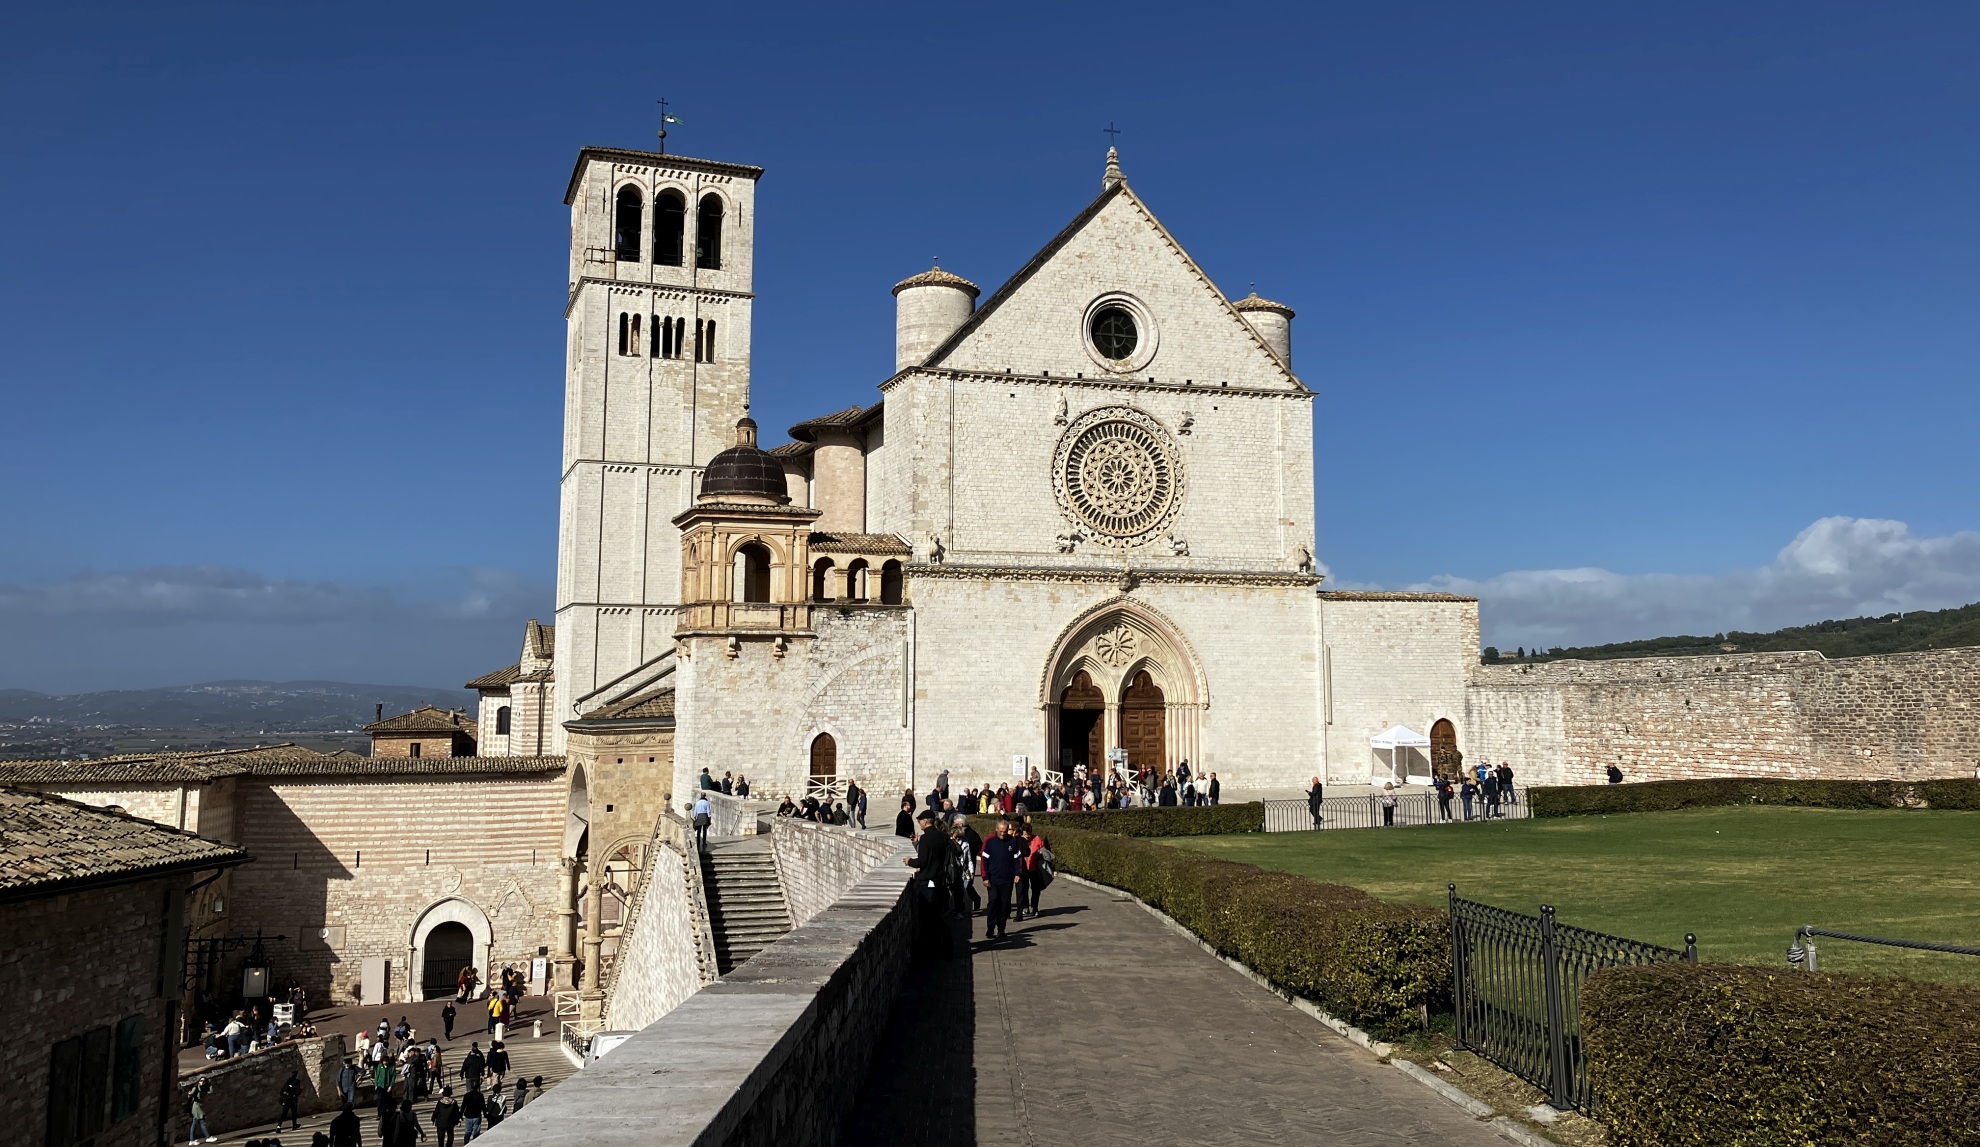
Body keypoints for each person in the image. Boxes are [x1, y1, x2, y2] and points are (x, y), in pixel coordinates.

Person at [903, 810, 952, 957]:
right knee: (938, 915)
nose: (919, 824)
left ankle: (930, 950)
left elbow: (923, 861)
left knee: (926, 918)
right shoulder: (942, 836)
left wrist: (909, 861)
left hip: (927, 882)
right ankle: (944, 948)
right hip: (939, 880)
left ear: (925, 821)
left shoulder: (926, 839)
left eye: (920, 821)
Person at [981, 819, 1026, 941]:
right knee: (993, 903)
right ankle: (990, 927)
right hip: (993, 879)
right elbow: (984, 861)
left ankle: (1001, 929)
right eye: (1001, 831)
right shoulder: (990, 841)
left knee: (1005, 905)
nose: (1003, 834)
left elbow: (1018, 859)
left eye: (1005, 832)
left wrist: (1018, 873)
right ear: (996, 830)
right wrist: (985, 877)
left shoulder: (1012, 842)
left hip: (1007, 880)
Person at [1024, 825, 1053, 917]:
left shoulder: (1037, 839)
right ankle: (1025, 907)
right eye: (1025, 834)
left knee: (1035, 890)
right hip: (1023, 869)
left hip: (1035, 868)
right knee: (1023, 890)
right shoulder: (1020, 840)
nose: (1027, 836)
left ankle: (1034, 907)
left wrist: (1040, 855)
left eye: (1029, 834)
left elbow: (1045, 853)